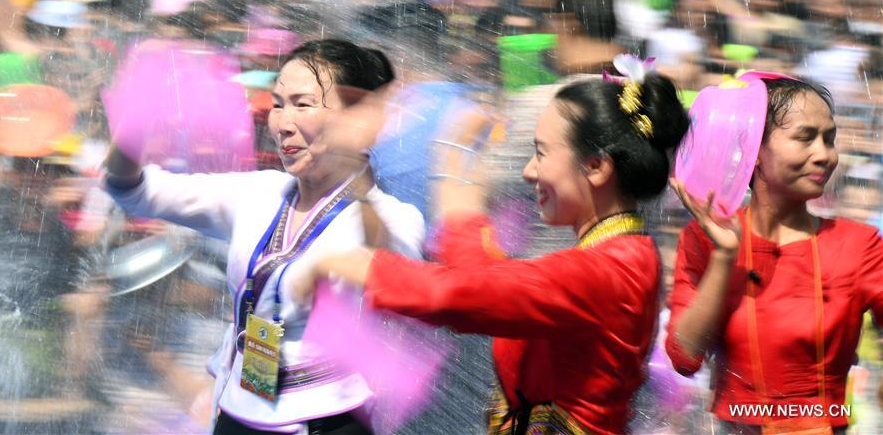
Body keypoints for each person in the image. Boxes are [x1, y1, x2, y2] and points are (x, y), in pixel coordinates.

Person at [295, 62, 690, 434]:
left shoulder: (606, 271)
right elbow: (489, 283)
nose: (528, 171)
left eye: (542, 152)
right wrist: (458, 190)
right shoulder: (616, 255)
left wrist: (364, 267)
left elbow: (464, 294)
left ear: (596, 166)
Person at [103, 39, 425, 435]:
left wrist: (354, 167)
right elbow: (130, 189)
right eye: (277, 103)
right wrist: (136, 122)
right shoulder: (258, 192)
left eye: (302, 104)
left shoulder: (394, 217)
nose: (282, 122)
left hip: (329, 419)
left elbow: (393, 276)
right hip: (242, 405)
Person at [666, 76, 883, 434]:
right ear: (753, 151)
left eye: (829, 138)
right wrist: (724, 257)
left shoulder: (857, 244)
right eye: (805, 137)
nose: (825, 154)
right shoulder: (705, 238)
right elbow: (684, 357)